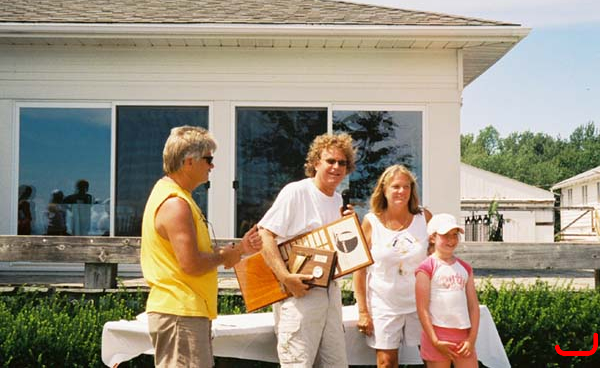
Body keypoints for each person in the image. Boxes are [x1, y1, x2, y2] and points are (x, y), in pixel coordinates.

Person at [140, 125, 262, 368]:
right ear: (189, 162)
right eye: (208, 159)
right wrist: (224, 256)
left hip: (184, 311)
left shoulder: (174, 196)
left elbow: (193, 258)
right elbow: (192, 264)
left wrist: (238, 251)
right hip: (180, 312)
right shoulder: (175, 204)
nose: (212, 166)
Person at [257, 133, 357, 368]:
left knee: (335, 365)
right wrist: (285, 277)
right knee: (297, 364)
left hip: (330, 292)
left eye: (342, 163)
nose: (336, 167)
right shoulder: (297, 192)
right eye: (330, 161)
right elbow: (265, 235)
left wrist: (352, 227)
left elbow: (347, 254)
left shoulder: (339, 201)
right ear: (315, 163)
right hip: (299, 294)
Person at [353, 164, 432, 367]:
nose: (401, 191)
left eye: (406, 186)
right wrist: (363, 311)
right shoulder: (371, 221)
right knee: (386, 362)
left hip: (420, 303)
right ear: (384, 190)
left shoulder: (424, 218)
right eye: (396, 186)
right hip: (383, 304)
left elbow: (437, 258)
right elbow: (359, 270)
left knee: (433, 359)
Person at [415, 213, 480, 368]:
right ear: (433, 238)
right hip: (437, 337)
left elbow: (473, 307)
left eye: (455, 235)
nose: (451, 240)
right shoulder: (426, 268)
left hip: (463, 337)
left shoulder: (465, 268)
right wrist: (435, 341)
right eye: (445, 235)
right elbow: (422, 309)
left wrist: (471, 340)